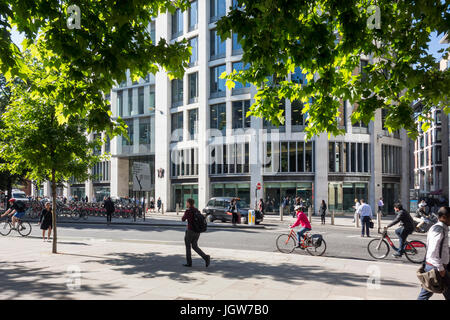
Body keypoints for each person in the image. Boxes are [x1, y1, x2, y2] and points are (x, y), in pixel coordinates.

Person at [417, 206, 450, 300]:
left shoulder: (442, 228)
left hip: (436, 266)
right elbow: (433, 250)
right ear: (444, 217)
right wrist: (441, 268)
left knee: (426, 293)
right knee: (426, 293)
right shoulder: (438, 229)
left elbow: (441, 247)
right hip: (436, 267)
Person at [181, 198, 210, 267]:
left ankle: (189, 263)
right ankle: (205, 257)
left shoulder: (188, 211)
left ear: (188, 203)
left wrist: (185, 214)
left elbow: (183, 219)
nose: (186, 204)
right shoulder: (197, 210)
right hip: (197, 231)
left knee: (188, 246)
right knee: (194, 246)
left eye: (186, 202)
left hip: (190, 231)